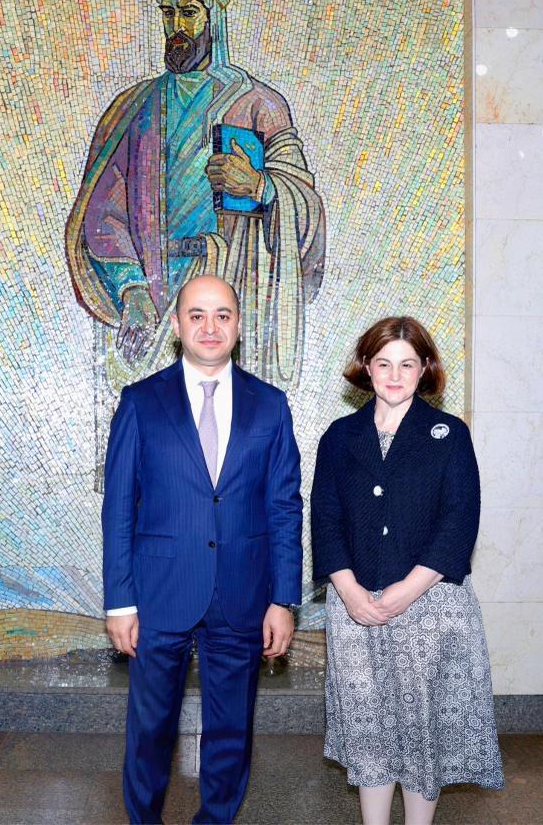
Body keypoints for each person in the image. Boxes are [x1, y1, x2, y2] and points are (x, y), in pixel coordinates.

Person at [102, 274, 304, 823]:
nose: (209, 327)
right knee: (149, 731)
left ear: (239, 325)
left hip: (243, 595)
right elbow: (118, 509)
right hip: (158, 595)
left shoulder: (271, 406)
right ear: (176, 325)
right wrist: (119, 602)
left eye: (222, 315)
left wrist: (283, 599)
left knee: (231, 732)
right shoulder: (140, 403)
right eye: (196, 315)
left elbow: (284, 507)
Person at [65, 0, 326, 391]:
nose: (177, 27)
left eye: (189, 12)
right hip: (154, 294)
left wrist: (260, 187)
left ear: (213, 17)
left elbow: (307, 210)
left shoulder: (258, 105)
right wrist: (132, 289)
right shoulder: (136, 109)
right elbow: (102, 215)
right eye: (168, 13)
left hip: (231, 291)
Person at [310, 316, 504, 825]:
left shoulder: (449, 434)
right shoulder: (340, 436)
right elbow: (325, 517)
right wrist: (350, 591)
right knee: (368, 728)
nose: (394, 376)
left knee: (423, 731)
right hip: (355, 607)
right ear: (366, 367)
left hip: (430, 605)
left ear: (424, 369)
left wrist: (407, 590)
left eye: (407, 364)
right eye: (383, 363)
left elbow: (459, 520)